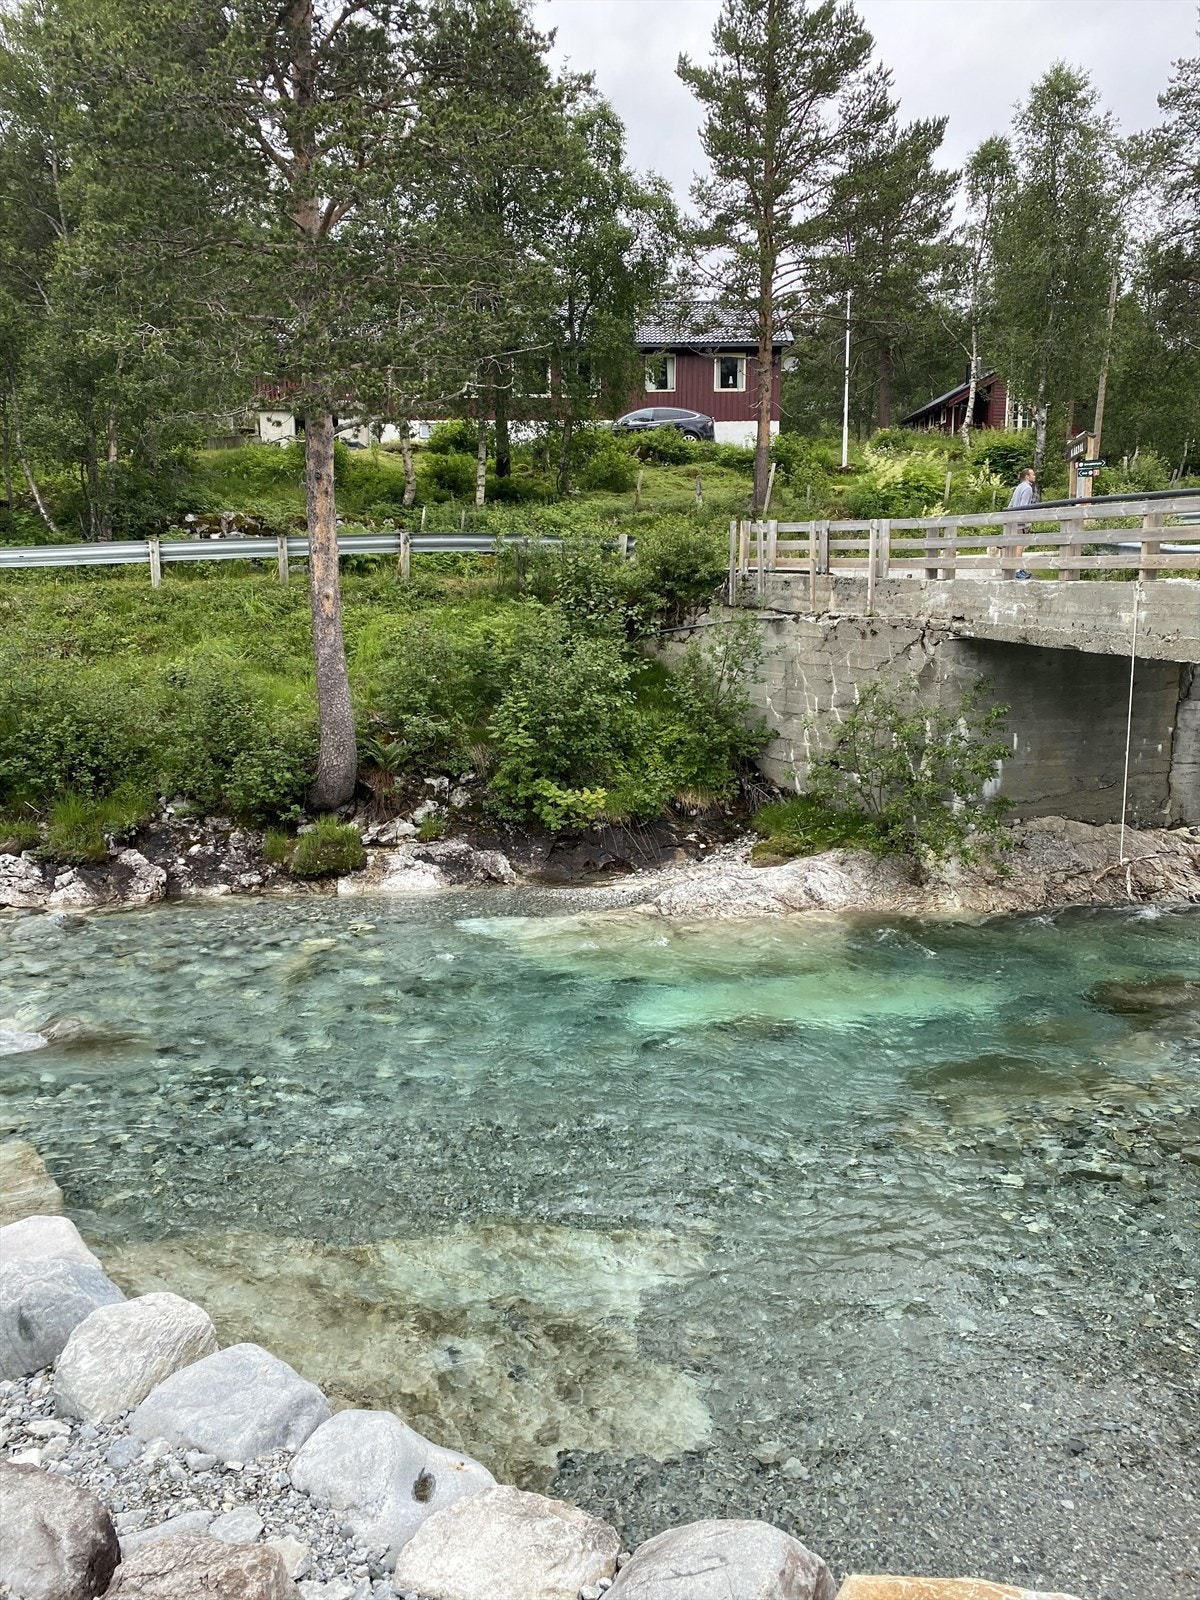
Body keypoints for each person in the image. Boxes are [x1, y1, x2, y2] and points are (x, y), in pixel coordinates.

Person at [1006, 468, 1036, 579]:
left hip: (1013, 519)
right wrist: (1024, 521)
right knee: (1020, 545)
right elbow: (1024, 506)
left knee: (1013, 545)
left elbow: (1011, 503)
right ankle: (1018, 570)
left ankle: (1015, 568)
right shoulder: (1027, 488)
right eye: (1032, 474)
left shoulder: (1018, 487)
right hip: (1020, 522)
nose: (1034, 476)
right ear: (1027, 476)